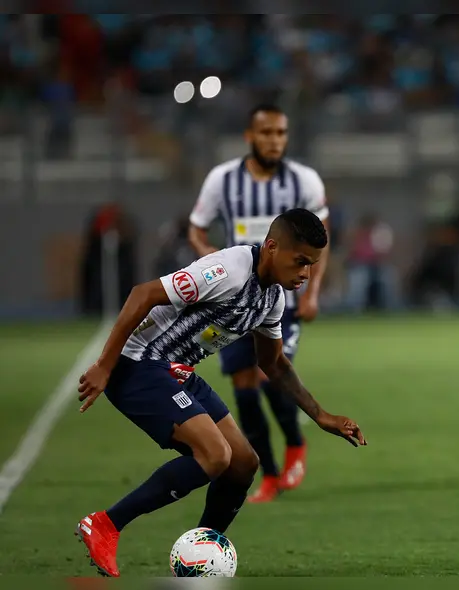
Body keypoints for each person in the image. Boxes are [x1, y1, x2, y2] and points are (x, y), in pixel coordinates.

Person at [75, 209, 365, 578]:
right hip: (137, 364)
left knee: (243, 463)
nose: (305, 274)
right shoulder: (228, 270)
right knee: (215, 455)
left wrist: (321, 415)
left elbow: (273, 364)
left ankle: (201, 554)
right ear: (273, 248)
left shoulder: (271, 298)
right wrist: (104, 364)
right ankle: (105, 525)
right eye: (300, 262)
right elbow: (143, 293)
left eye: (311, 265)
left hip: (177, 372)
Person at [188, 103, 331, 503]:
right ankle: (267, 473)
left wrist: (313, 292)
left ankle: (294, 442)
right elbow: (196, 229)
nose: (275, 141)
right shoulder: (223, 180)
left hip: (282, 300)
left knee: (271, 376)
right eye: (267, 133)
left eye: (281, 133)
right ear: (250, 136)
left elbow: (324, 239)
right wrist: (214, 259)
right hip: (235, 302)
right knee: (244, 384)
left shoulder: (304, 180)